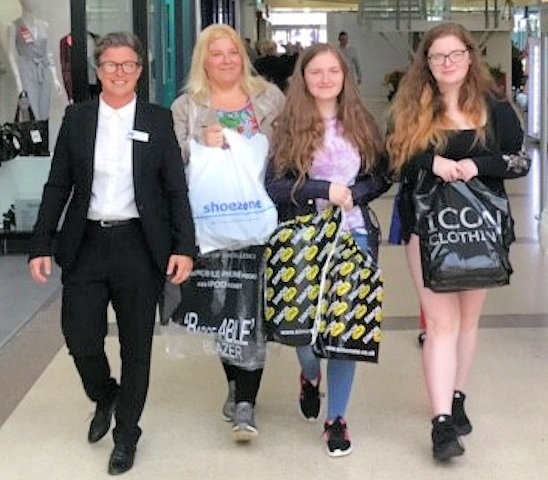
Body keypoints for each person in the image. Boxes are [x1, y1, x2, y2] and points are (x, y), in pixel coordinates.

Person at [28, 32, 196, 475]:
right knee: (79, 337)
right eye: (110, 65)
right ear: (98, 71)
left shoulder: (158, 121)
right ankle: (106, 395)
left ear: (140, 70)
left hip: (140, 246)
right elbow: (58, 185)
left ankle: (126, 433)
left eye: (128, 65)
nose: (119, 73)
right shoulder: (78, 118)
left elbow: (176, 190)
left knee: (136, 346)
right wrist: (40, 242)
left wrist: (184, 247)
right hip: (86, 244)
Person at [386, 22, 528, 461]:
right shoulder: (411, 107)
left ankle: (458, 394)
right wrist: (434, 162)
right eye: (437, 57)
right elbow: (395, 162)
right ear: (426, 64)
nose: (447, 63)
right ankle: (442, 422)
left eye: (455, 54)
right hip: (425, 229)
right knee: (441, 325)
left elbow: (517, 161)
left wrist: (476, 165)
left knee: (468, 323)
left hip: (479, 228)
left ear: (470, 57)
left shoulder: (495, 107)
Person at [266, 43, 390, 457]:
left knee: (344, 330)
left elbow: (382, 175)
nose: (324, 78)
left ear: (343, 77)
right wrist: (323, 190)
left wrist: (356, 193)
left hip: (353, 238)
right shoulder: (287, 125)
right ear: (303, 78)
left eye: (332, 71)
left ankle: (336, 418)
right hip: (303, 239)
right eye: (315, 71)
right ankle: (308, 374)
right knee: (305, 330)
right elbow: (274, 186)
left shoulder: (360, 122)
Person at [171, 23, 285, 442]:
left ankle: (246, 403)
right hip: (211, 224)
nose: (226, 60)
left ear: (244, 56)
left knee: (252, 308)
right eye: (216, 53)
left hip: (261, 220)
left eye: (233, 52)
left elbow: (289, 147)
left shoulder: (269, 98)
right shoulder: (188, 106)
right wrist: (198, 142)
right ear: (203, 59)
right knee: (223, 309)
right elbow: (172, 158)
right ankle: (236, 383)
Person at [7, 0, 62, 121]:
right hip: (26, 70)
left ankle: (43, 138)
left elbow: (48, 53)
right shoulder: (14, 26)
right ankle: (32, 139)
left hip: (43, 71)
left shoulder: (44, 25)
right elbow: (11, 55)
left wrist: (55, 78)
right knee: (30, 111)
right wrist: (18, 84)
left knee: (44, 113)